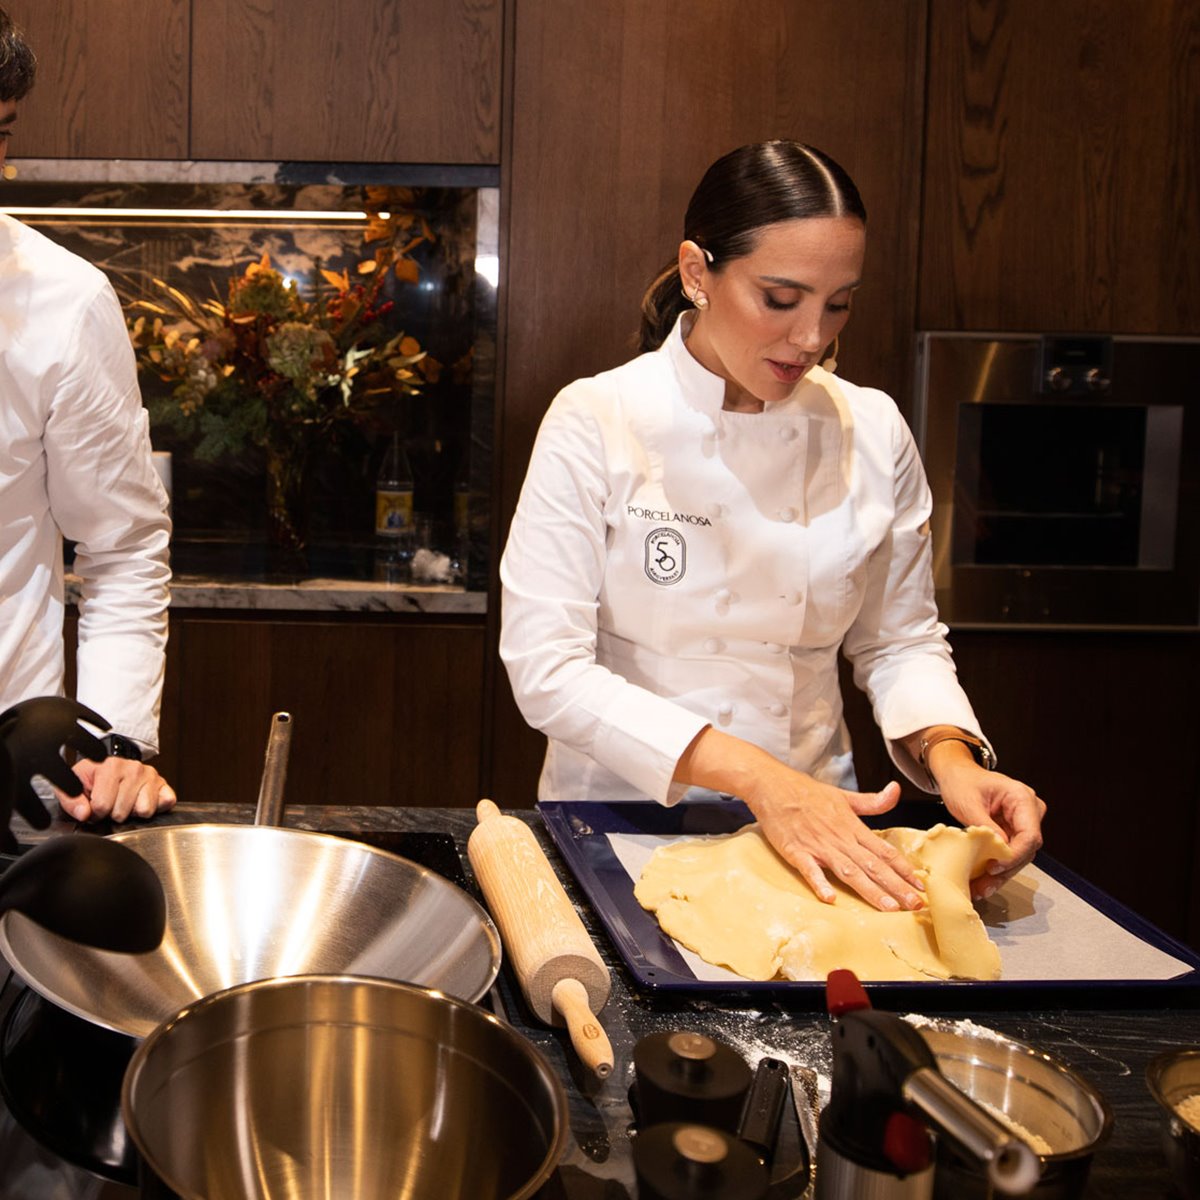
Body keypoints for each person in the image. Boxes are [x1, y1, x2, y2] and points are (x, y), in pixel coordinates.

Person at [500, 140, 1045, 912]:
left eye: (839, 302)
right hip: (620, 823)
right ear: (697, 273)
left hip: (823, 836)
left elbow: (898, 639)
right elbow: (547, 671)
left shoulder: (873, 427)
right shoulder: (597, 418)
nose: (811, 338)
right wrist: (761, 779)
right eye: (780, 299)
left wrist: (953, 758)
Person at [0, 7, 175, 824]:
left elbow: (122, 545)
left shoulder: (62, 303)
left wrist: (120, 746)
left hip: (10, 790)